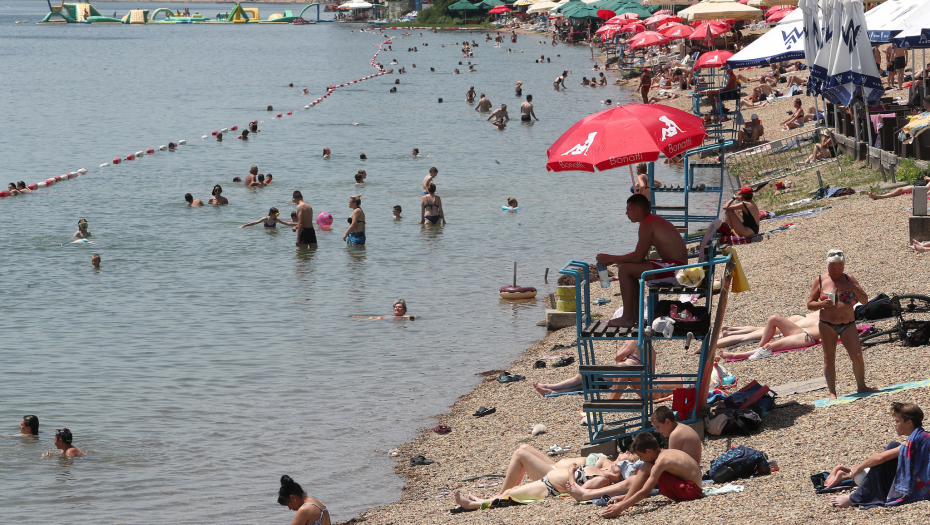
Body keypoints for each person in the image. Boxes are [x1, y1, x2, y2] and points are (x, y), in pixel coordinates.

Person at [566, 406, 703, 503]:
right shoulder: (681, 429)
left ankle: (588, 494)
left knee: (633, 480)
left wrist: (622, 505)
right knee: (641, 474)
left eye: (658, 427)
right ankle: (588, 493)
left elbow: (668, 469)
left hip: (687, 485)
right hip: (688, 479)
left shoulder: (675, 434)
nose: (658, 431)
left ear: (667, 422)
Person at [596, 195, 687, 328]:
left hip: (677, 269)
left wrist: (610, 258)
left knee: (625, 269)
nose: (626, 213)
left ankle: (628, 318)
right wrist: (615, 260)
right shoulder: (650, 221)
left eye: (628, 209)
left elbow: (637, 257)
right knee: (628, 268)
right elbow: (640, 257)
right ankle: (633, 316)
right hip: (674, 266)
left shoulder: (647, 223)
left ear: (638, 210)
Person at [828, 402, 930, 508]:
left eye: (897, 421)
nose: (895, 424)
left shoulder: (912, 442)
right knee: (893, 448)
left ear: (909, 423)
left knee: (890, 449)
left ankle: (856, 498)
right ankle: (846, 474)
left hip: (922, 486)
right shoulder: (923, 436)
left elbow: (880, 458)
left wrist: (859, 467)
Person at [808, 249, 876, 400]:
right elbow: (810, 304)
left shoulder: (849, 278)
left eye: (840, 268)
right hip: (827, 324)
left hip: (848, 324)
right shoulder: (819, 280)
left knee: (857, 355)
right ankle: (832, 393)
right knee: (829, 358)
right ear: (827, 266)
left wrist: (853, 288)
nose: (836, 271)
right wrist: (821, 303)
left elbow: (865, 300)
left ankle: (861, 386)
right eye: (833, 268)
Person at [453, 452, 623, 509]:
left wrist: (571, 472)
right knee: (507, 492)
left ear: (619, 475)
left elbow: (577, 491)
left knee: (511, 494)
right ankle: (483, 501)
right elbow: (603, 460)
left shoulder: (601, 480)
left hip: (549, 489)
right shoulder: (602, 470)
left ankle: (472, 505)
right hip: (546, 481)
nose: (615, 463)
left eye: (618, 466)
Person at [600, 433, 702, 517]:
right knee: (646, 466)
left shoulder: (661, 462)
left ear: (648, 451)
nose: (641, 459)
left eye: (640, 456)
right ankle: (627, 497)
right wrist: (625, 497)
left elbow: (645, 491)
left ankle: (626, 500)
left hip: (691, 491)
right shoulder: (666, 452)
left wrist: (621, 507)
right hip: (693, 487)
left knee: (646, 467)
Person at [718, 314, 823, 360]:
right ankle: (759, 348)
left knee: (769, 346)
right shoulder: (828, 314)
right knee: (773, 318)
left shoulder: (837, 325)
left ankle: (736, 355)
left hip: (807, 337)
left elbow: (831, 338)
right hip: (801, 331)